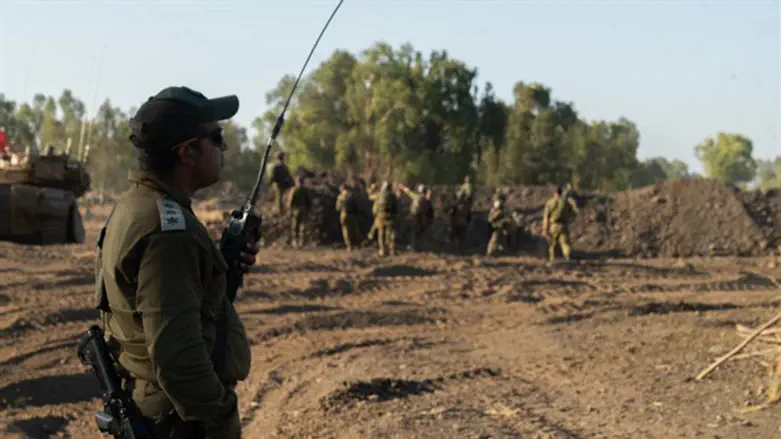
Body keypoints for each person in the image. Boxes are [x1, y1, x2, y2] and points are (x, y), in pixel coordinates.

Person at [97, 86, 259, 439]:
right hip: (179, 420)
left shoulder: (136, 206)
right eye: (216, 137)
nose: (224, 148)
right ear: (187, 153)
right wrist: (222, 419)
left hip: (161, 406)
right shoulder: (170, 232)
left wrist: (218, 267)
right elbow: (178, 359)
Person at [542, 186, 579, 262]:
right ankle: (568, 258)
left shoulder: (550, 202)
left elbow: (546, 217)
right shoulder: (565, 202)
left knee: (552, 244)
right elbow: (573, 212)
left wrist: (545, 229)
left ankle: (553, 260)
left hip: (554, 226)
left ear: (554, 193)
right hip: (564, 225)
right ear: (561, 192)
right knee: (565, 243)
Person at [398, 183, 434, 251]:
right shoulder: (426, 199)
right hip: (422, 217)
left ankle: (412, 246)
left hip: (414, 216)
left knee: (412, 231)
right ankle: (416, 245)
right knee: (417, 231)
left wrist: (402, 187)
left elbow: (408, 192)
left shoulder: (416, 196)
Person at [371, 181, 398, 256]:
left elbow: (374, 208)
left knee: (381, 233)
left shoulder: (379, 195)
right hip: (390, 216)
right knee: (391, 233)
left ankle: (382, 250)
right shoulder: (393, 195)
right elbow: (396, 207)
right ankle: (392, 250)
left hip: (380, 216)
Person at [286, 175, 312, 248]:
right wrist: (309, 210)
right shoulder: (306, 190)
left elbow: (290, 201)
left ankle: (295, 242)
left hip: (296, 210)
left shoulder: (294, 190)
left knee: (295, 226)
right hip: (304, 210)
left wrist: (289, 210)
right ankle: (302, 242)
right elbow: (310, 201)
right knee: (303, 226)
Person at [335, 183, 358, 251]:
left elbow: (337, 208)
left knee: (346, 230)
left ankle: (349, 246)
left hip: (344, 214)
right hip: (352, 214)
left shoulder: (340, 196)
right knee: (354, 229)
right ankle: (356, 244)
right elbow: (356, 205)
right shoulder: (352, 195)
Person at [270, 151, 294, 215]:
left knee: (280, 198)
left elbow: (274, 177)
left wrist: (270, 183)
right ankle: (282, 211)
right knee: (282, 198)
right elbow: (288, 176)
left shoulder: (277, 167)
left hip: (280, 185)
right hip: (283, 185)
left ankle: (281, 211)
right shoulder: (284, 167)